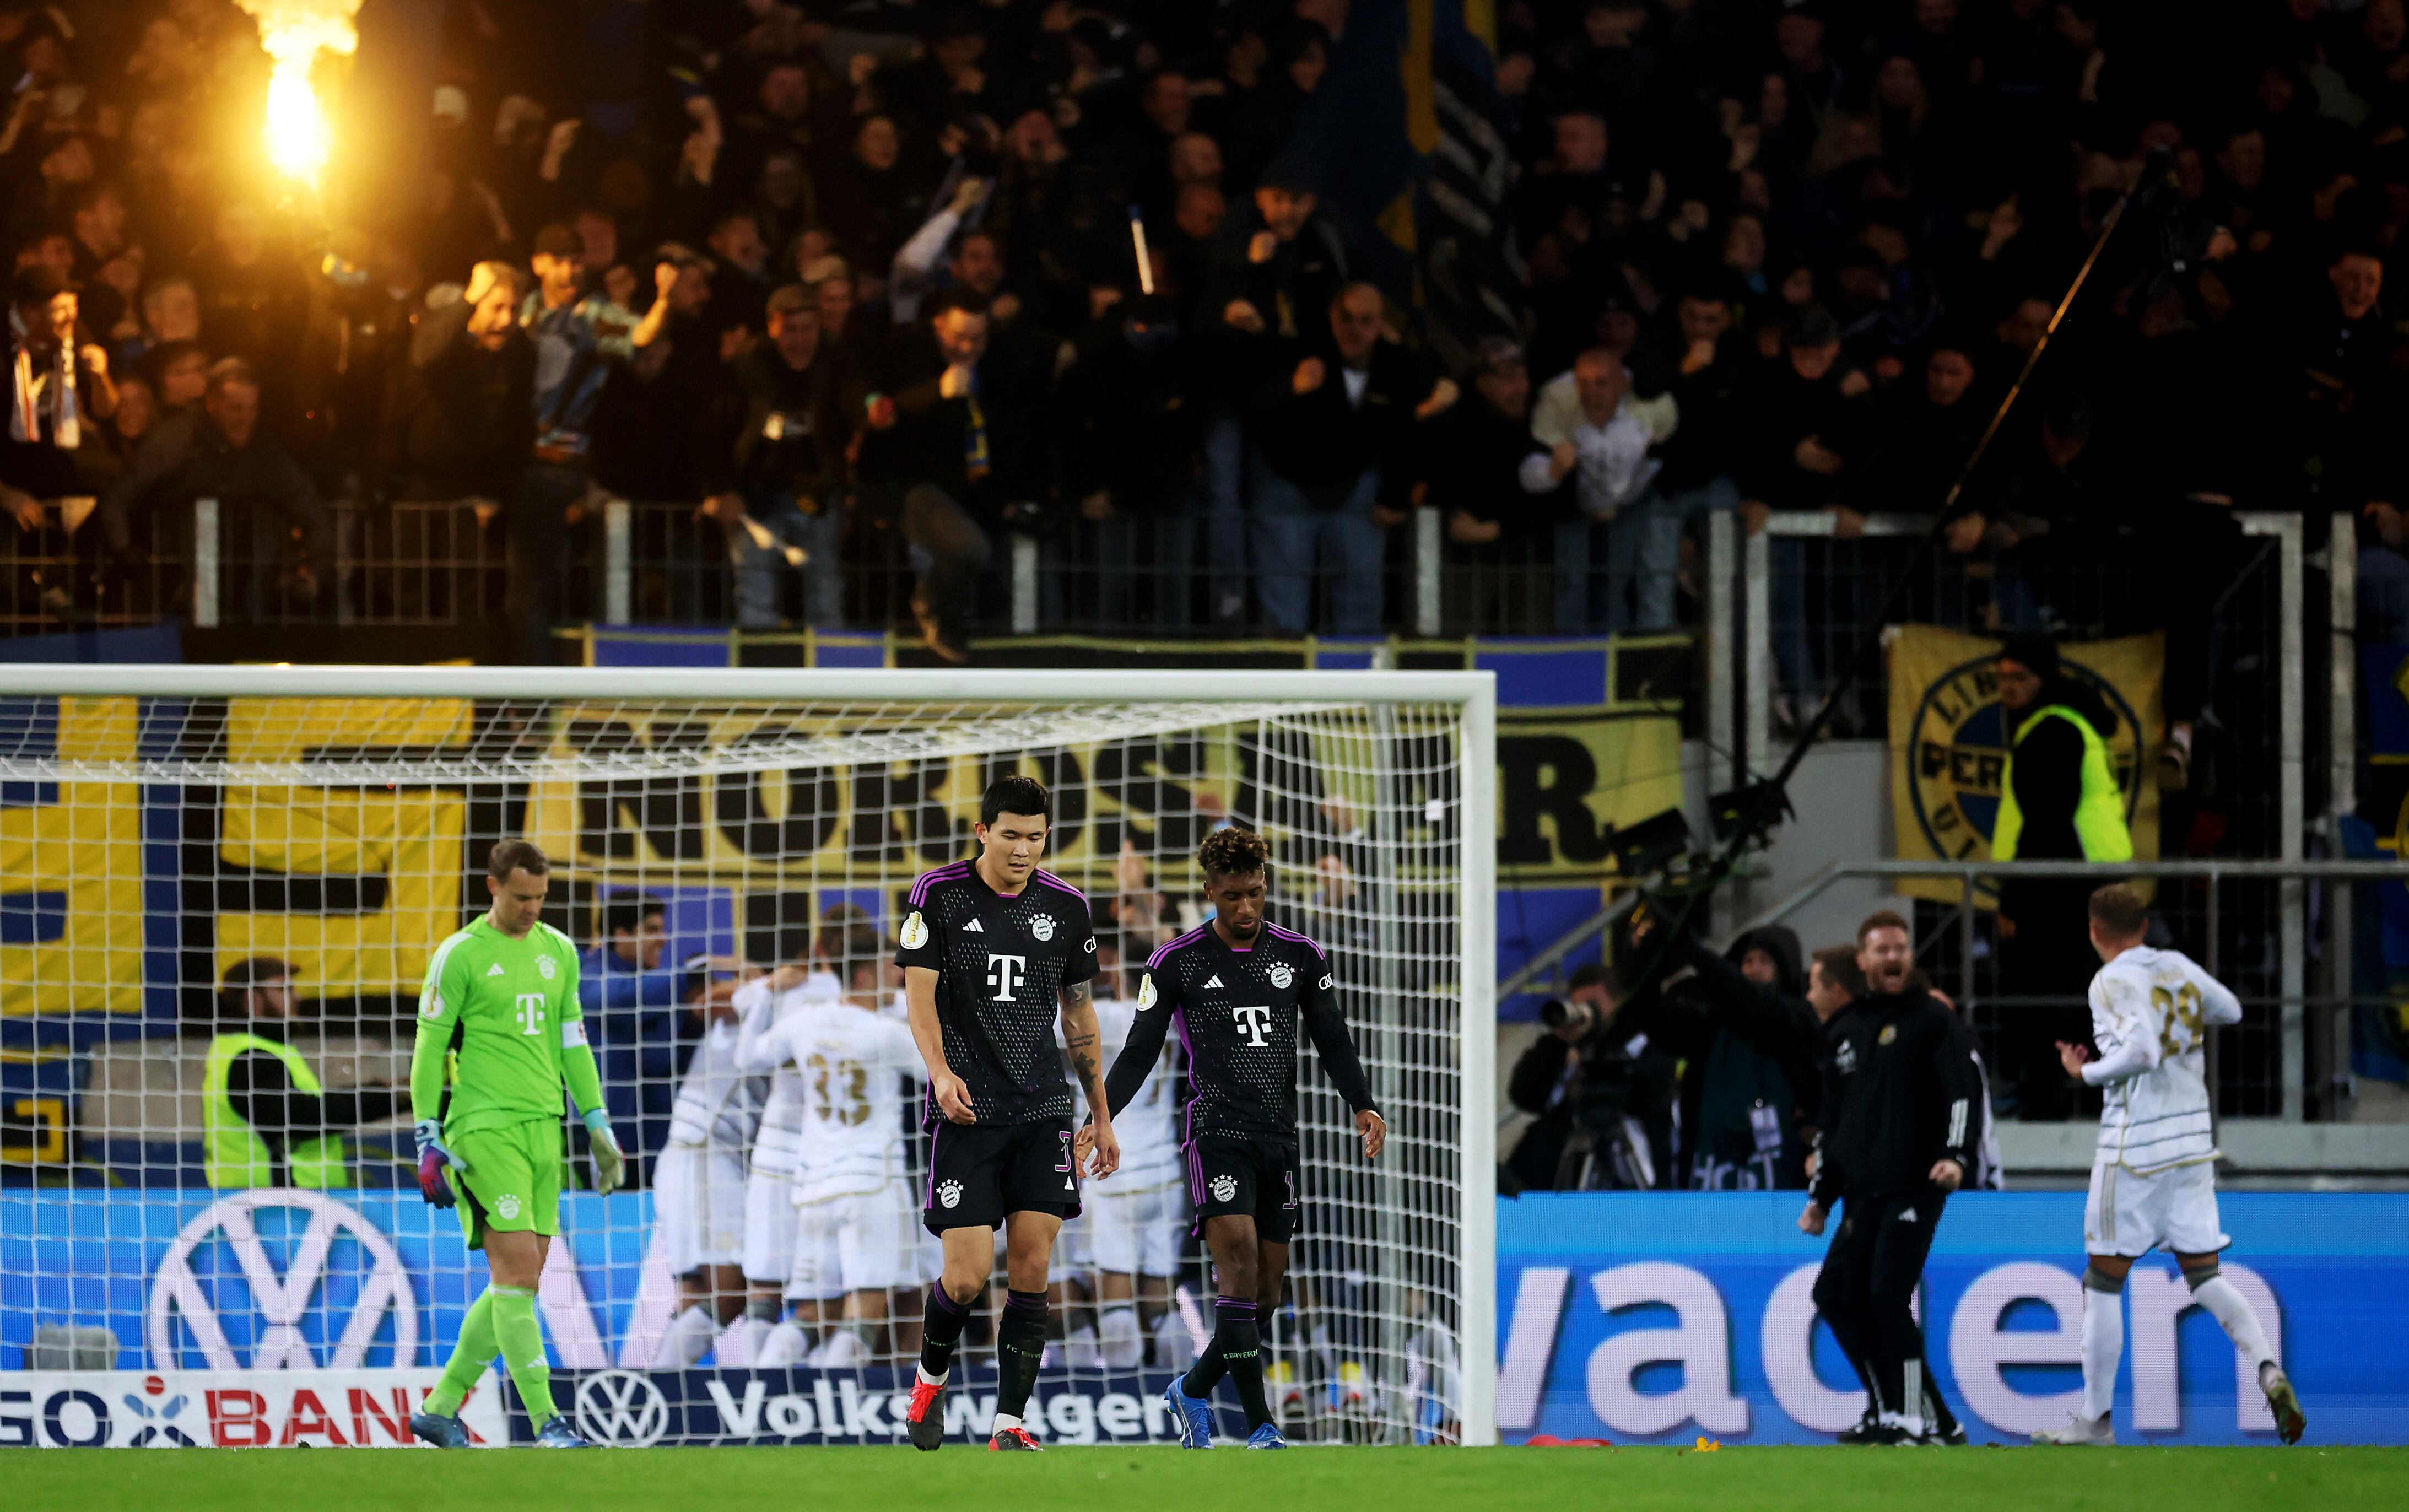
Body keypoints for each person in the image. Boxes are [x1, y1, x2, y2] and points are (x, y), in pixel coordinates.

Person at [1090, 824, 1385, 1450]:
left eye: (1253, 893)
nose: (1245, 908)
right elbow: (1140, 1049)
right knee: (1240, 1270)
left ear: (1265, 884)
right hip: (1214, 1133)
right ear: (1209, 891)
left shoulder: (1299, 955)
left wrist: (1361, 1102)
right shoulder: (1177, 960)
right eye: (1231, 896)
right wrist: (1102, 1113)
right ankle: (1260, 1426)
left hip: (1278, 1135)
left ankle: (1192, 1388)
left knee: (1268, 1294)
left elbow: (1332, 1035)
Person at [2032, 884, 2304, 1446]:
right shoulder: (2175, 964)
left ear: (2093, 931)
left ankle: (2095, 1421)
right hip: (2193, 1143)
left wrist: (2083, 1073)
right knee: (2204, 1276)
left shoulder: (2107, 979)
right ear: (2145, 924)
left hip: (2135, 1147)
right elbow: (2229, 1007)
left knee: (2104, 1280)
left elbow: (2142, 1053)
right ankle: (2266, 1367)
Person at [897, 774, 1116, 1453]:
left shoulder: (1068, 907)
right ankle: (930, 1382)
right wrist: (939, 1072)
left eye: (1036, 837)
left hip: (1044, 1110)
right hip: (967, 1111)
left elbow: (1078, 1014)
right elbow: (920, 998)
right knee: (964, 1277)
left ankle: (1008, 1421)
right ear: (982, 831)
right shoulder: (938, 895)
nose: (1023, 849)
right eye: (1011, 835)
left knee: (1031, 1265)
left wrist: (1101, 1114)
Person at [407, 840, 625, 1450]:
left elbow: (572, 1043)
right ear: (492, 886)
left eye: (540, 897)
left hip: (542, 1127)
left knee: (520, 1280)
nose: (532, 908)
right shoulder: (460, 955)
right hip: (482, 1127)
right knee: (517, 1270)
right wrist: (427, 1131)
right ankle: (547, 1421)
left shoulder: (559, 950)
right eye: (521, 896)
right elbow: (429, 1047)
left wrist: (596, 1119)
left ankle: (440, 1407)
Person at [1801, 911, 1980, 1446]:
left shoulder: (1932, 1019)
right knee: (1833, 1294)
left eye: (1900, 947)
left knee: (1885, 1296)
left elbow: (1961, 1089)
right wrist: (1820, 1198)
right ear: (1862, 961)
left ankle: (1906, 1416)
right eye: (1881, 948)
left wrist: (1955, 1154)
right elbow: (1835, 1124)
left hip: (1914, 1183)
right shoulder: (1845, 1031)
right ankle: (1924, 1418)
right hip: (1862, 1191)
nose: (1893, 956)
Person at [734, 927, 926, 1369]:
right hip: (871, 1185)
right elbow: (946, 1078)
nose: (896, 976)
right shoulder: (885, 1035)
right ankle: (839, 1413)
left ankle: (757, 1395)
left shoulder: (807, 1022)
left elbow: (749, 1059)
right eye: (888, 968)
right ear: (864, 975)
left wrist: (765, 994)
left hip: (815, 1188)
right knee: (867, 1309)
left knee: (811, 1315)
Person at [1992, 632, 2134, 1120]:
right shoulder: (2071, 722)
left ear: (2043, 680)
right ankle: (2092, 1101)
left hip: (2059, 888)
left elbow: (2045, 821)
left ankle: (2047, 1105)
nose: (2008, 688)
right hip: (2087, 883)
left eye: (2019, 678)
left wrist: (2014, 899)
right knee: (2085, 998)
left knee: (2049, 1003)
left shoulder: (2050, 729)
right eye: (2002, 678)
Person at [647, 955, 764, 1368]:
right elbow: (707, 1001)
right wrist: (760, 979)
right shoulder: (734, 1017)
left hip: (700, 1163)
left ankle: (657, 1398)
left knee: (697, 1297)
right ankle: (655, 1388)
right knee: (731, 1293)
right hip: (703, 1161)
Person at [201, 957, 402, 1189]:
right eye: (283, 989)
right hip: (274, 1208)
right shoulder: (249, 1056)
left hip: (293, 1205)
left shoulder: (265, 1050)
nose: (296, 997)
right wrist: (388, 1095)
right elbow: (302, 1117)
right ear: (253, 999)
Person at [1086, 929, 1191, 1371]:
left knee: (1115, 1290)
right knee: (1160, 1295)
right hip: (1166, 1175)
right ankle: (1184, 1396)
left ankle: (1121, 1398)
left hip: (1114, 1174)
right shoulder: (1172, 1017)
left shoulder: (1106, 1017)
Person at [576, 894, 690, 1182]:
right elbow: (613, 998)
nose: (663, 940)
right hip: (600, 1137)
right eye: (651, 930)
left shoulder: (661, 989)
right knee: (602, 1223)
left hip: (657, 1142)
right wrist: (694, 971)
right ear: (621, 934)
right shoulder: (588, 974)